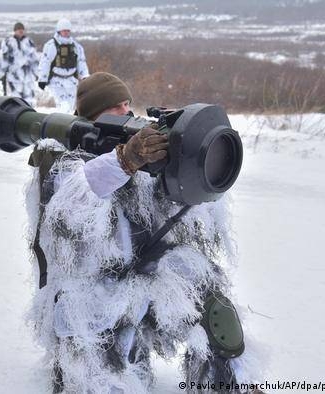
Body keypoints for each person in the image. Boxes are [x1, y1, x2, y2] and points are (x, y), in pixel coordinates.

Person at [25, 72, 263, 393]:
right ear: (90, 117)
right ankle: (75, 371)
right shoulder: (66, 163)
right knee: (111, 373)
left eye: (126, 104)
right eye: (112, 108)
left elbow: (184, 211)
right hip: (91, 300)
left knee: (214, 308)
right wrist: (123, 162)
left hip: (145, 280)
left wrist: (185, 152)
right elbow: (69, 213)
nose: (125, 112)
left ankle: (229, 385)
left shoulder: (143, 150)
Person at [37, 18, 89, 113]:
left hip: (71, 81)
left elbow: (81, 62)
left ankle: (68, 124)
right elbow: (45, 62)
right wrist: (42, 79)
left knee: (70, 106)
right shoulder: (51, 45)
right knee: (63, 105)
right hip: (56, 81)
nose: (66, 32)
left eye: (68, 30)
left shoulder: (76, 46)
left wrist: (85, 76)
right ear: (59, 31)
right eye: (64, 30)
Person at [0, 22, 38, 106]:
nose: (21, 31)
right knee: (15, 101)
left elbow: (35, 60)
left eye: (22, 29)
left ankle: (30, 118)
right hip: (14, 76)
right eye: (19, 29)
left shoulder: (29, 42)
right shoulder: (9, 42)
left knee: (29, 101)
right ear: (15, 31)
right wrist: (0, 74)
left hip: (28, 77)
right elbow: (3, 59)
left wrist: (37, 73)